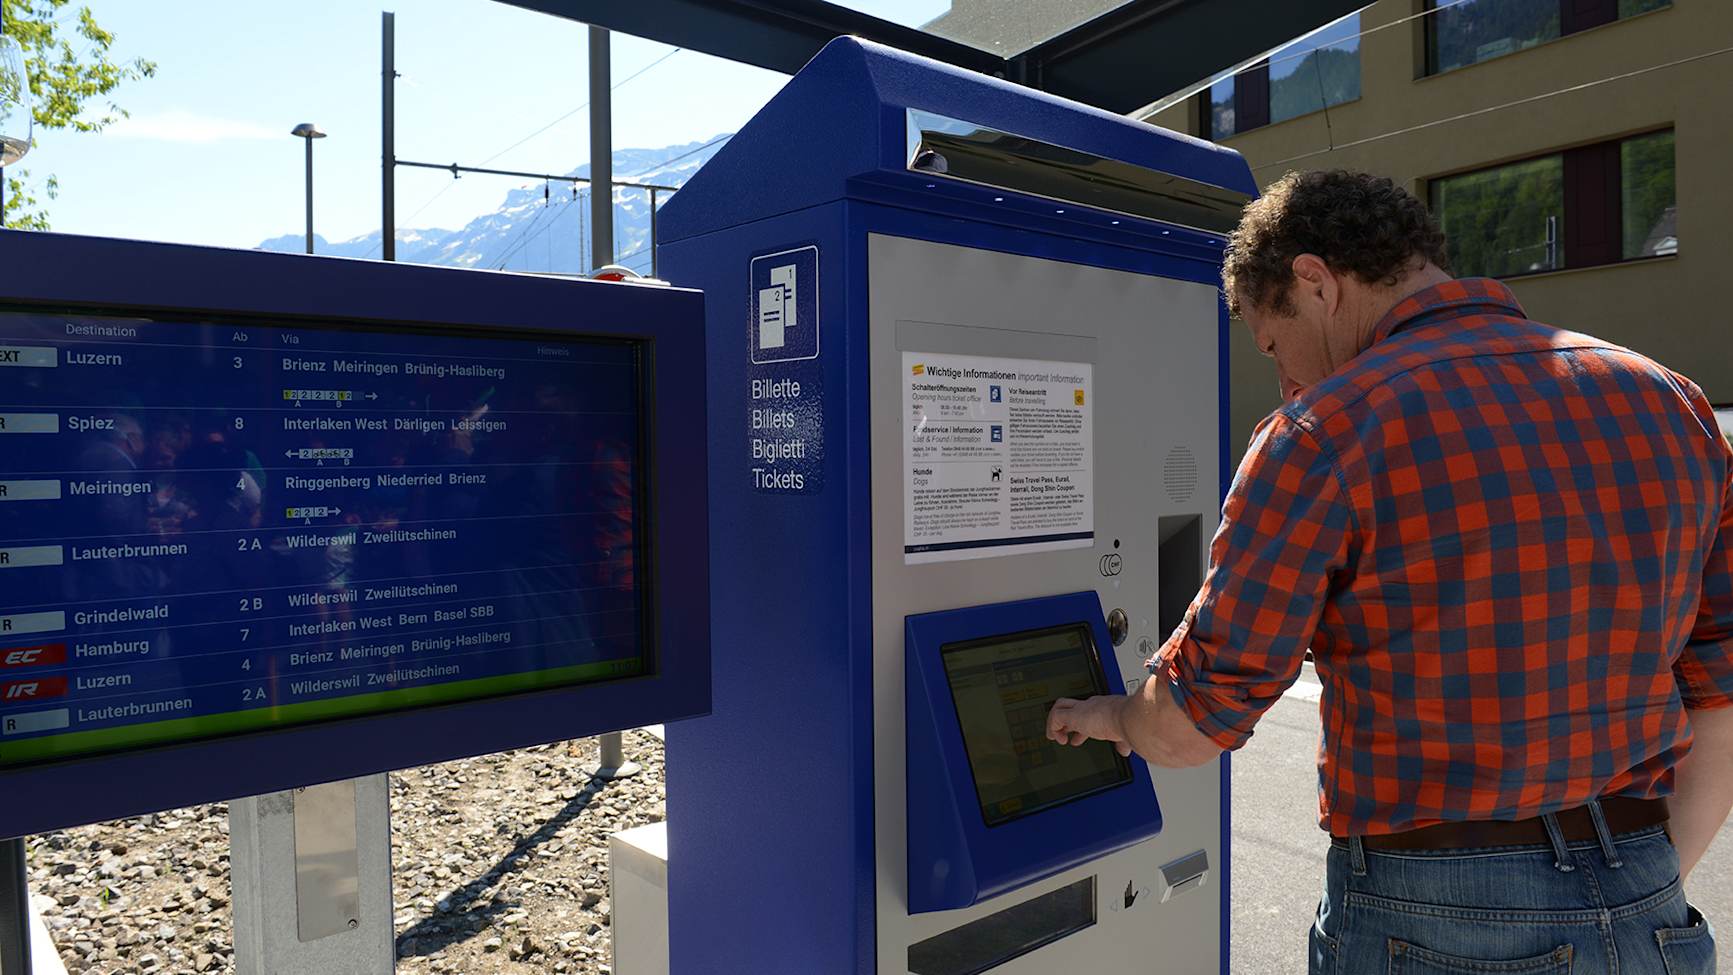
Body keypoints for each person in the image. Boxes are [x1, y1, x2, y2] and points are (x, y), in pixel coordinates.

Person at [1047, 170, 1733, 974]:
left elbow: (1195, 719)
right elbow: (1716, 694)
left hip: (1431, 917)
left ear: (1314, 282)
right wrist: (1622, 898)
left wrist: (1108, 718)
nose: (1287, 379)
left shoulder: (1323, 432)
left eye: (1274, 343)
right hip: (1649, 899)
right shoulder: (1667, 400)